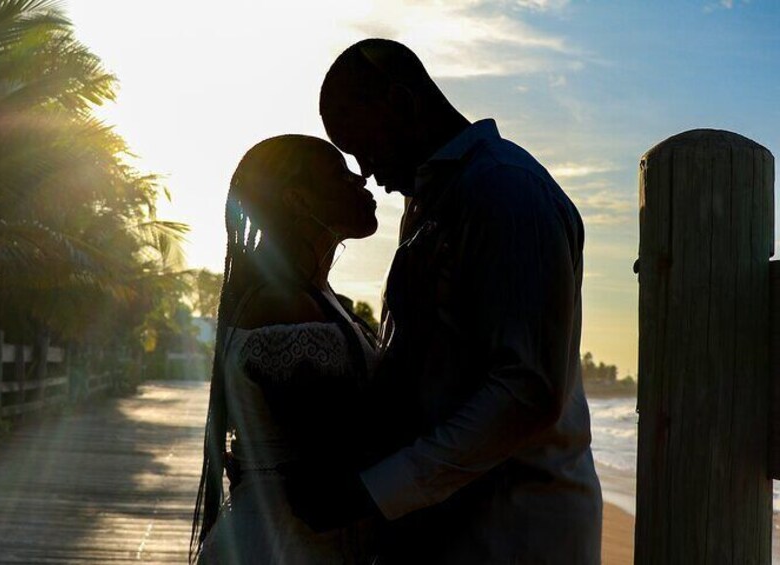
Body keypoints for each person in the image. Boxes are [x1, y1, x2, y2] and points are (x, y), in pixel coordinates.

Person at [285, 39, 603, 564]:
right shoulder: (433, 201)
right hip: (456, 533)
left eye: (364, 145)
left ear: (401, 104)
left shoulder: (505, 190)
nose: (366, 170)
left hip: (514, 535)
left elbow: (528, 390)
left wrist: (376, 489)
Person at [190, 134, 381, 564]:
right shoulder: (285, 305)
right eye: (340, 174)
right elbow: (327, 467)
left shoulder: (311, 296)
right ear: (297, 200)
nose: (361, 179)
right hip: (284, 545)